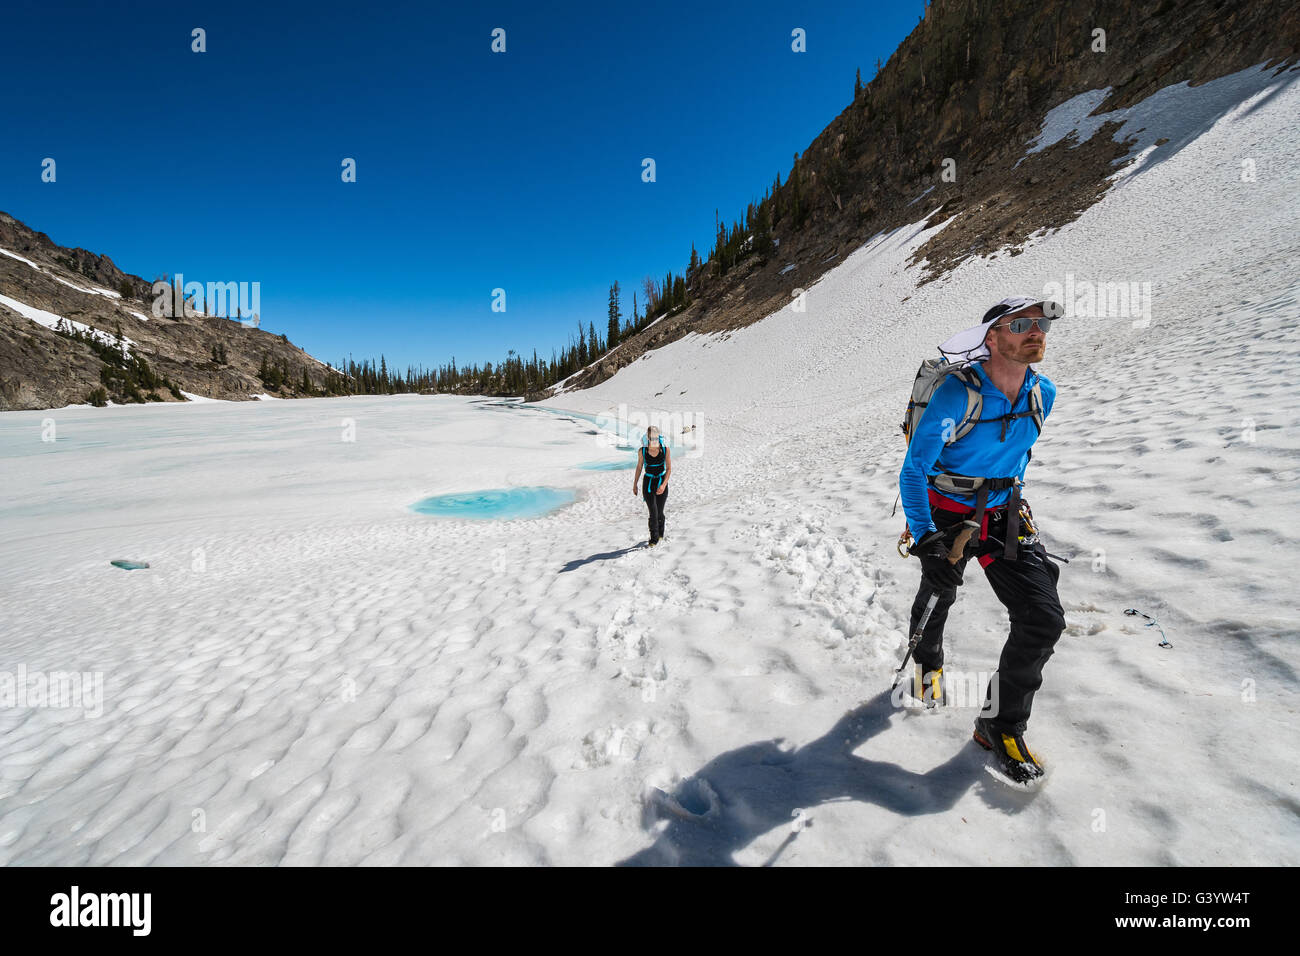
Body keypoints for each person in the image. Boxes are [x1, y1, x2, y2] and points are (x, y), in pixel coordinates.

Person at [898, 296, 1065, 784]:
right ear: (992, 337)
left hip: (1004, 514)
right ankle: (928, 667)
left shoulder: (1043, 393)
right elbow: (914, 469)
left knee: (1043, 618)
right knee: (939, 592)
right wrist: (928, 538)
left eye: (1041, 323)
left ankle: (999, 724)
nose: (1036, 331)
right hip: (946, 512)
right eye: (1022, 324)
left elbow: (1016, 453)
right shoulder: (956, 395)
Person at [633, 426, 671, 546]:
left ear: (658, 436)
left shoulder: (665, 449)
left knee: (660, 512)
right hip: (648, 483)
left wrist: (663, 485)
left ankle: (660, 534)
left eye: (655, 437)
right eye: (651, 437)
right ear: (648, 437)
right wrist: (635, 484)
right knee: (653, 512)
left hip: (661, 481)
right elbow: (639, 467)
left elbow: (669, 468)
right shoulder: (642, 451)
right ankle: (653, 539)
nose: (653, 439)